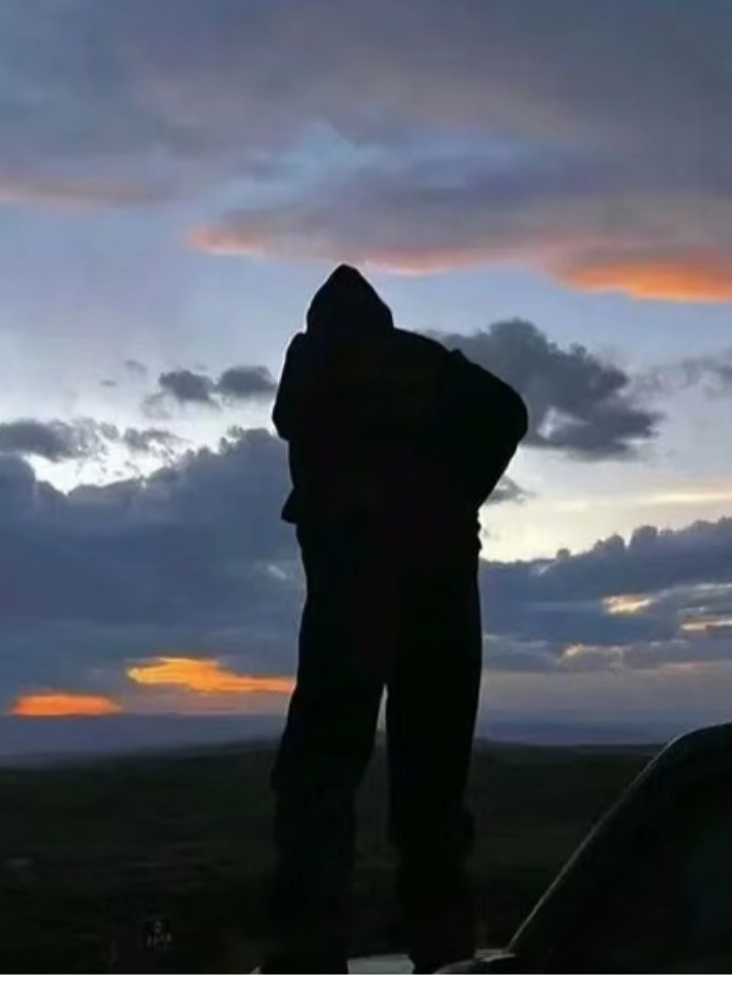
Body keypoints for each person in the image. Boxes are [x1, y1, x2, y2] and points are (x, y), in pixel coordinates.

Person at [261, 265, 528, 975]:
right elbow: (507, 411)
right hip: (442, 584)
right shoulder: (430, 366)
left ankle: (308, 953)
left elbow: (291, 421)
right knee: (433, 781)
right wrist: (455, 498)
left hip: (355, 582)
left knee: (318, 771)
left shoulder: (315, 361)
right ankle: (443, 953)